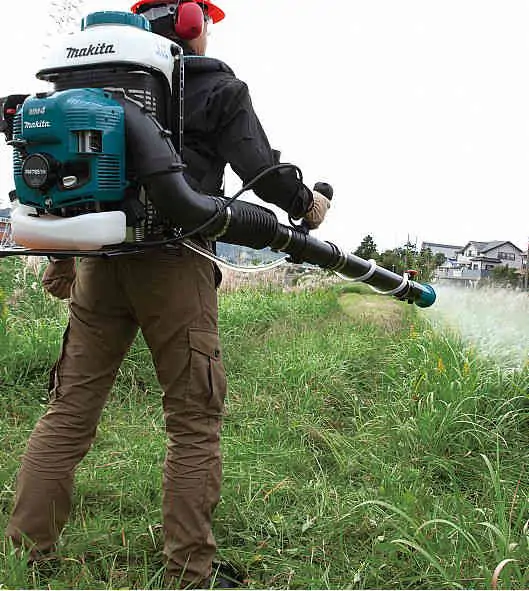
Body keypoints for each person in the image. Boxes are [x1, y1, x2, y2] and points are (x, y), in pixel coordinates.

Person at [5, 1, 331, 587]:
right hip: (177, 264)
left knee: (69, 412)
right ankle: (189, 571)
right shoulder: (216, 88)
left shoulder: (86, 85)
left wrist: (62, 256)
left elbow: (65, 177)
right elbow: (261, 171)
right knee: (192, 421)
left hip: (101, 263)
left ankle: (26, 555)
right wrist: (307, 204)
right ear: (190, 23)